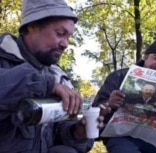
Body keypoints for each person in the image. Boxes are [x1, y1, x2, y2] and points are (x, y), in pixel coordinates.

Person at [0, 0, 104, 153]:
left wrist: (77, 133)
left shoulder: (59, 77)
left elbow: (60, 136)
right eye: (60, 33)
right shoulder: (4, 59)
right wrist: (45, 84)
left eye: (68, 37)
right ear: (32, 25)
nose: (65, 44)